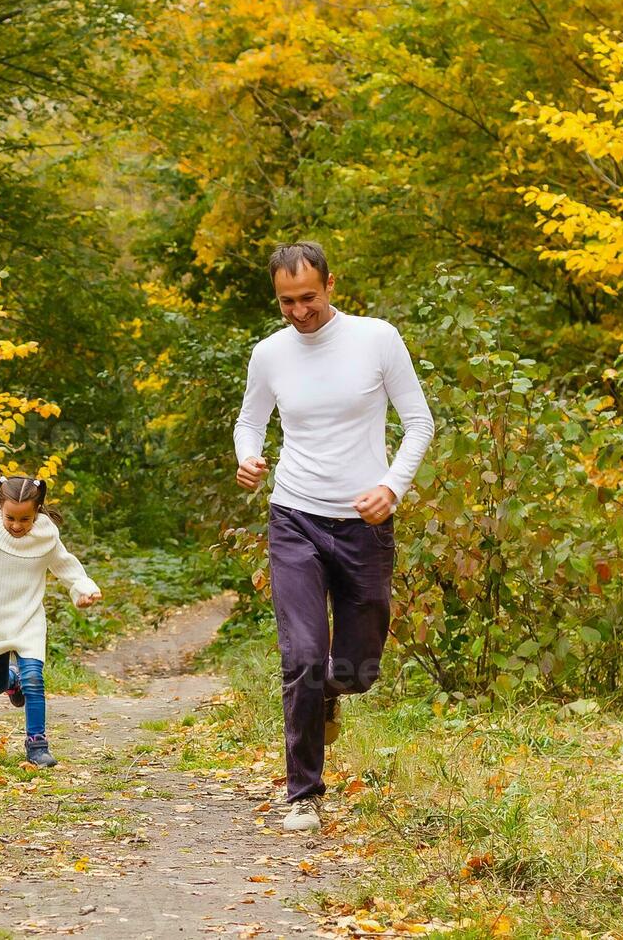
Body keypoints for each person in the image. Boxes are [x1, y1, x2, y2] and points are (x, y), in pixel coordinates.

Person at [233, 241, 435, 833]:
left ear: (331, 286)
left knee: (356, 668)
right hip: (293, 516)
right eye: (285, 302)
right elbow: (251, 419)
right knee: (300, 657)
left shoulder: (377, 339)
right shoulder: (270, 354)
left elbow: (419, 421)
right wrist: (248, 455)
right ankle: (303, 794)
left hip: (364, 522)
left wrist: (392, 488)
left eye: (309, 298)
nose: (298, 312)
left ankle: (331, 691)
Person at [0, 476, 102, 767]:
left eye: (26, 518)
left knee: (35, 678)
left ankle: (38, 745)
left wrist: (83, 588)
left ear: (37, 512)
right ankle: (12, 682)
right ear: (0, 507)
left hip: (28, 617)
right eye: (11, 517)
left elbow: (65, 564)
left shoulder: (45, 536)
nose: (17, 525)